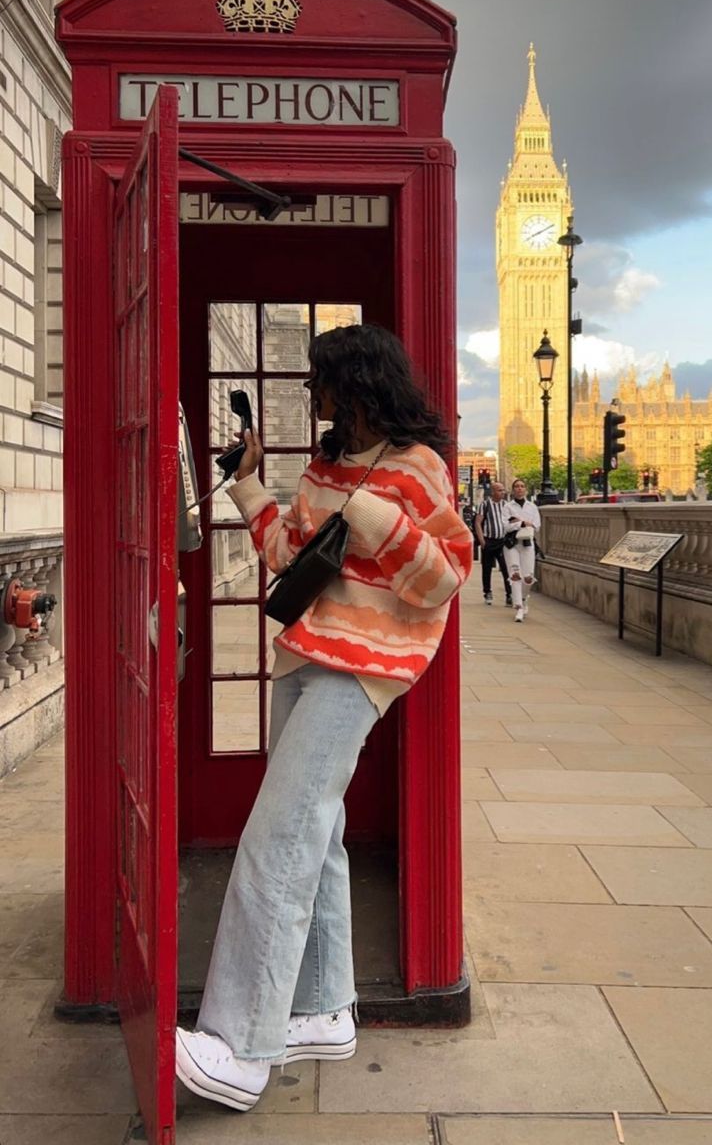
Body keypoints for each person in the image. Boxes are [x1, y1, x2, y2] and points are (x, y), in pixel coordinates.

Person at [175, 324, 474, 1112]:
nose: (313, 394)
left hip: (366, 668)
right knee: (319, 833)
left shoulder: (418, 469)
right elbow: (286, 557)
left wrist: (371, 516)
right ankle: (324, 1008)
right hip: (308, 656)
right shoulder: (324, 465)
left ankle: (240, 1046)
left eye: (321, 381)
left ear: (359, 382)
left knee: (278, 836)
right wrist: (248, 483)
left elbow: (442, 579)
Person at [502, 477, 541, 624]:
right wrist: (522, 523)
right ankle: (518, 606)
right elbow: (506, 526)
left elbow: (536, 525)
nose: (519, 488)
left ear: (525, 489)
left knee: (528, 576)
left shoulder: (532, 507)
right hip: (511, 544)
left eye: (522, 486)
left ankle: (524, 598)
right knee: (515, 574)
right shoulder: (507, 507)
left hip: (527, 543)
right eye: (516, 486)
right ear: (513, 490)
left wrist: (517, 522)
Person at [474, 481, 512, 606]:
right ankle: (487, 592)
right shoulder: (485, 505)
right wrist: (482, 540)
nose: (503, 492)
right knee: (487, 568)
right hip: (489, 540)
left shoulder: (506, 505)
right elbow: (478, 522)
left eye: (503, 490)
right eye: (500, 490)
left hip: (502, 541)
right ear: (493, 492)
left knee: (506, 569)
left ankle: (509, 594)